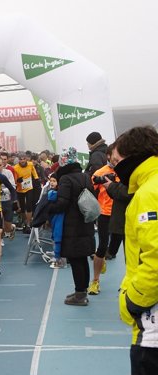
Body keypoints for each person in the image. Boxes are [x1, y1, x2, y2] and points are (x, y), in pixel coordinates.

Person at [111, 126, 158, 375]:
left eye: (117, 161)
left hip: (153, 327)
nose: (115, 169)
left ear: (134, 156)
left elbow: (155, 258)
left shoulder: (149, 193)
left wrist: (134, 299)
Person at [47, 147, 96, 306]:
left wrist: (49, 208)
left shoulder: (66, 179)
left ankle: (80, 295)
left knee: (75, 260)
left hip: (72, 226)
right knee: (82, 259)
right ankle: (82, 291)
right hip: (86, 223)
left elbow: (62, 203)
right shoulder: (85, 177)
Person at [88, 146, 119, 296]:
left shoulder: (127, 171)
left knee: (113, 250)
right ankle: (95, 281)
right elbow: (88, 188)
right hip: (104, 213)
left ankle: (107, 256)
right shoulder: (100, 172)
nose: (117, 157)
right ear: (108, 156)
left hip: (121, 214)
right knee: (102, 245)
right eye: (114, 154)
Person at [13, 152, 39, 234]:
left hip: (29, 187)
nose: (23, 160)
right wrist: (17, 181)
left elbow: (34, 172)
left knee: (29, 205)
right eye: (21, 159)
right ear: (18, 160)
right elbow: (14, 180)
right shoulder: (15, 168)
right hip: (20, 189)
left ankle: (28, 223)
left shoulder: (31, 164)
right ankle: (25, 222)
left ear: (26, 159)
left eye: (24, 159)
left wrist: (36, 178)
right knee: (22, 207)